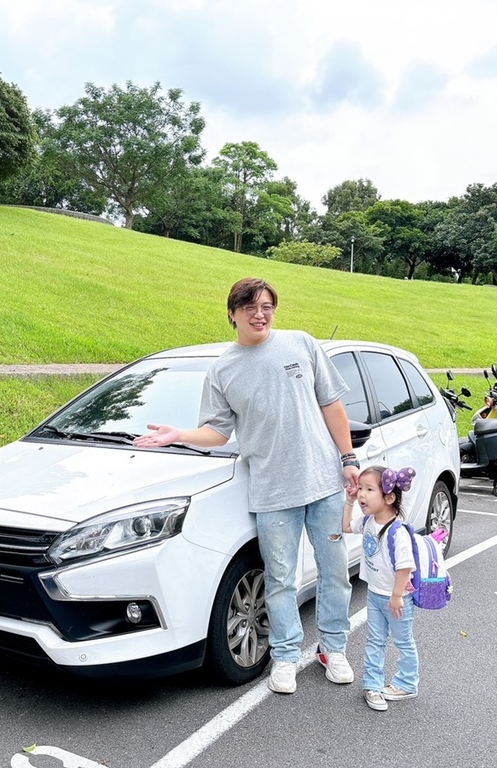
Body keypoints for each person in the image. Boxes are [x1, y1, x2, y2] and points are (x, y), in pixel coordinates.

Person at [133, 277, 361, 695]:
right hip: (273, 492)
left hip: (324, 482)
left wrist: (348, 459)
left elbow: (332, 406)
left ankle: (333, 648)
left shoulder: (302, 345)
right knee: (279, 579)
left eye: (268, 306)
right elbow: (218, 433)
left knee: (335, 573)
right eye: (251, 307)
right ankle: (287, 655)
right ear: (232, 313)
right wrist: (178, 434)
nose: (261, 314)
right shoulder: (223, 369)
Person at [341, 465, 420, 712]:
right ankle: (372, 685)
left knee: (403, 641)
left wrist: (397, 597)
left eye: (368, 489)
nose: (362, 494)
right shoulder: (368, 522)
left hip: (396, 599)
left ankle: (407, 683)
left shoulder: (398, 532)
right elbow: (345, 526)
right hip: (375, 594)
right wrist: (349, 502)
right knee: (374, 640)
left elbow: (405, 567)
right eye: (360, 489)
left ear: (389, 498)